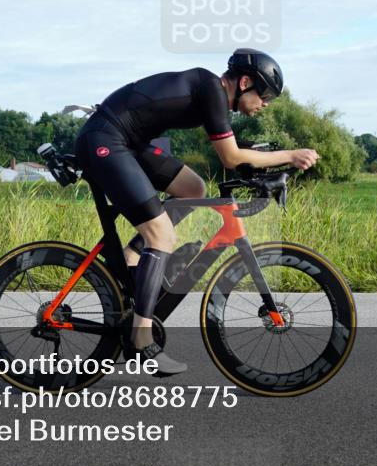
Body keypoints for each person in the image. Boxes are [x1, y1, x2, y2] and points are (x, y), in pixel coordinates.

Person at [74, 48, 319, 375]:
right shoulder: (212, 89)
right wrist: (290, 155)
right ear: (245, 82)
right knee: (161, 234)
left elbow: (235, 158)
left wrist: (262, 173)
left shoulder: (212, 93)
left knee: (193, 189)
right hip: (106, 139)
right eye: (265, 95)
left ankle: (133, 258)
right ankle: (141, 338)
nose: (266, 104)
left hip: (127, 141)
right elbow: (231, 157)